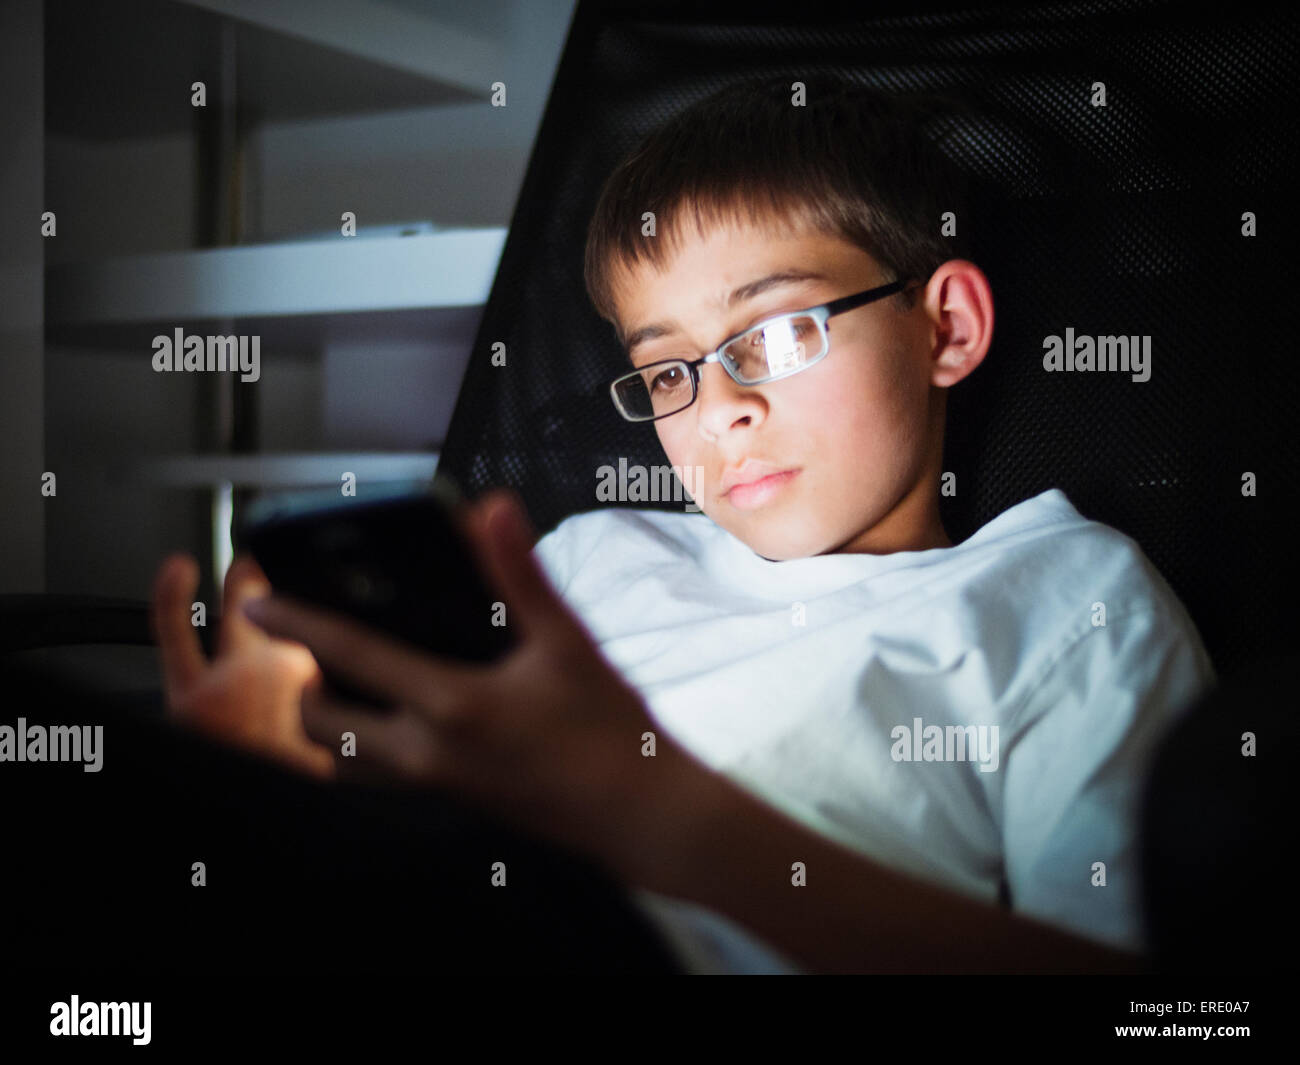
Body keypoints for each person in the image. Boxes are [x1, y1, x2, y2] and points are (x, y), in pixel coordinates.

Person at [151, 76, 1215, 974]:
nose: (720, 409)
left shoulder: (1062, 603)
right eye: (668, 371)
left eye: (780, 331)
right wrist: (273, 772)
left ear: (945, 326)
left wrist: (659, 818)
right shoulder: (587, 559)